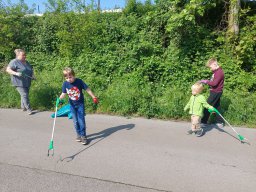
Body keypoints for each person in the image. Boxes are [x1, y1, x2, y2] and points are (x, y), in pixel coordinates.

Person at [59, 67, 98, 145]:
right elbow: (63, 94)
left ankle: (83, 136)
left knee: (81, 121)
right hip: (72, 105)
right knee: (75, 121)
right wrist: (59, 100)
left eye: (70, 77)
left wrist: (93, 96)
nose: (69, 79)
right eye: (66, 78)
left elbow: (87, 89)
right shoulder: (65, 84)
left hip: (80, 105)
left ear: (74, 75)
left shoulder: (79, 82)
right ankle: (78, 134)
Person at [6, 49, 35, 115]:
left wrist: (33, 76)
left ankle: (23, 107)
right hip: (18, 82)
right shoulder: (14, 61)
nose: (25, 56)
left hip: (27, 81)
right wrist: (16, 73)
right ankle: (29, 109)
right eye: (23, 55)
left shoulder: (26, 62)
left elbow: (30, 69)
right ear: (18, 55)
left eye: (25, 55)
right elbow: (8, 69)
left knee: (24, 95)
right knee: (25, 95)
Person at [200, 58, 225, 128]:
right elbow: (213, 81)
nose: (210, 69)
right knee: (216, 107)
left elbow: (214, 84)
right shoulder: (216, 72)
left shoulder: (219, 72)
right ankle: (220, 122)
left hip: (216, 92)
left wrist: (206, 81)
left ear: (214, 64)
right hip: (215, 92)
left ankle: (203, 122)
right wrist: (207, 81)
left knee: (207, 106)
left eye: (210, 67)